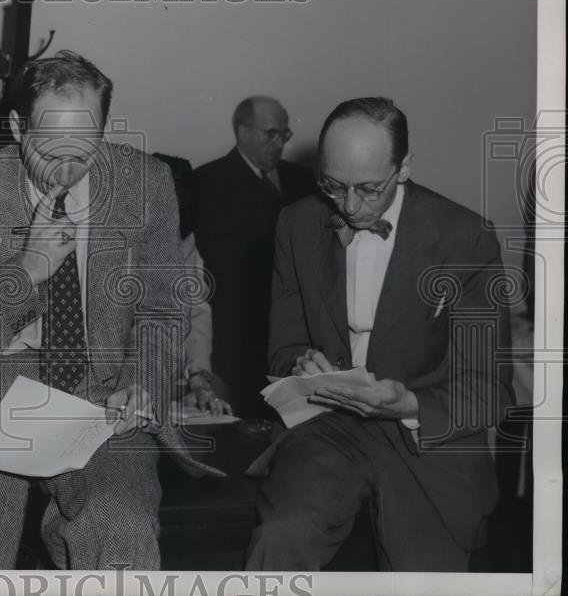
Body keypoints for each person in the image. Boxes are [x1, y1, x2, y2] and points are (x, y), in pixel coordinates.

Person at [0, 51, 221, 570]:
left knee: (122, 533)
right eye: (50, 145)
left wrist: (143, 381)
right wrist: (25, 272)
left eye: (86, 144)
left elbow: (163, 309)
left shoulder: (148, 183)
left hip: (106, 398)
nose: (69, 167)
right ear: (17, 127)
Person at [245, 97, 514, 571]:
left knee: (423, 573)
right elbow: (283, 350)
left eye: (369, 189)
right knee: (279, 539)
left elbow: (490, 388)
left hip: (428, 440)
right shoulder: (297, 222)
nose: (350, 207)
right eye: (333, 186)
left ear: (404, 167)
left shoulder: (465, 236)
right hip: (328, 428)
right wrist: (301, 364)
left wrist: (409, 404)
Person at [194, 96, 316, 418]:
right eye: (271, 134)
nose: (280, 143)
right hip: (235, 337)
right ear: (243, 132)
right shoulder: (206, 182)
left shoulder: (303, 180)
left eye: (284, 134)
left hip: (292, 328)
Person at [151, 152, 232, 417]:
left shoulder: (186, 238)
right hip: (124, 372)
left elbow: (196, 311)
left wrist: (198, 377)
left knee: (217, 395)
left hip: (171, 370)